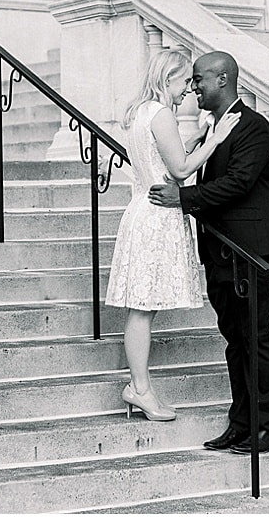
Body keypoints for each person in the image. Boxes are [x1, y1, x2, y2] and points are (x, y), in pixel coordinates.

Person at [149, 51, 269, 454]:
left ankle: (267, 430)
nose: (193, 89)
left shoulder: (254, 127)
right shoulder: (214, 129)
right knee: (234, 341)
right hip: (222, 254)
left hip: (251, 255)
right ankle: (241, 424)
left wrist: (182, 198)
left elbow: (239, 184)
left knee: (255, 339)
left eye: (199, 81)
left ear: (222, 79)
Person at [105, 49, 240, 422]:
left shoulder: (140, 112)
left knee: (141, 307)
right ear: (168, 79)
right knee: (142, 308)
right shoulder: (161, 113)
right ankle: (139, 389)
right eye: (184, 82)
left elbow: (161, 154)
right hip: (156, 216)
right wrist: (214, 140)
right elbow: (179, 169)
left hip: (141, 211)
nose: (189, 90)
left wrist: (197, 136)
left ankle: (141, 387)